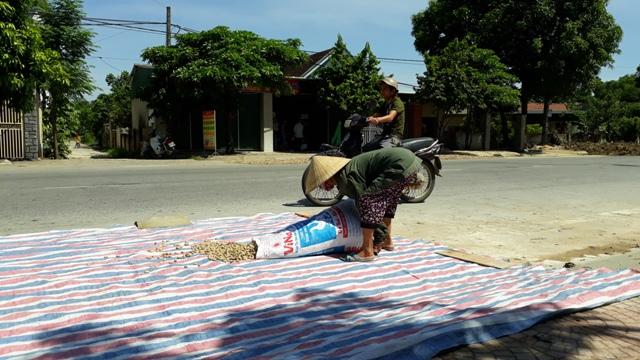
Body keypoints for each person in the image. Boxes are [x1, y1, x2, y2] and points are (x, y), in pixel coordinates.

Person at [303, 147, 425, 262]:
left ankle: (367, 251)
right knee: (388, 201)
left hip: (399, 164)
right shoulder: (349, 167)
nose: (323, 186)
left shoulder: (345, 177)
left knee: (369, 201)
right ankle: (387, 241)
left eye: (322, 182)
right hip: (409, 161)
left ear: (328, 176)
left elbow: (363, 202)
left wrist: (378, 235)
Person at [366, 76, 405, 148]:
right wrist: (366, 119)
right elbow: (377, 115)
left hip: (394, 136)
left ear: (393, 91)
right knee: (367, 148)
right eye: (381, 89)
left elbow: (390, 117)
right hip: (385, 134)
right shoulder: (386, 103)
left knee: (382, 151)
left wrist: (377, 120)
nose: (381, 91)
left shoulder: (397, 102)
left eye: (385, 89)